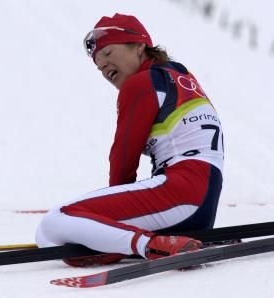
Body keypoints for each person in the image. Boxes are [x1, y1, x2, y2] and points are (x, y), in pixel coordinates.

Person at [35, 13, 224, 265]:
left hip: (181, 194)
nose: (102, 65)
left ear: (139, 46)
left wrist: (108, 223)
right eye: (98, 63)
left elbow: (123, 160)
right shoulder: (181, 76)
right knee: (75, 234)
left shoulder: (141, 83)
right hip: (202, 205)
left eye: (108, 53)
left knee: (53, 224)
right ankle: (137, 242)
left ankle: (150, 246)